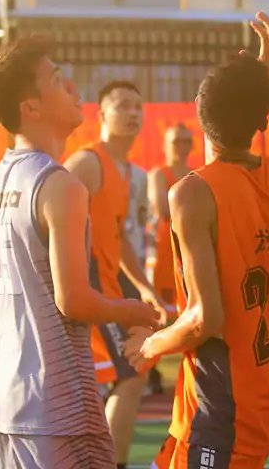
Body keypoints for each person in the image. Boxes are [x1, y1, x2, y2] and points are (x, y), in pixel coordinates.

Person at [125, 13, 269, 469]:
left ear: (199, 114)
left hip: (225, 403)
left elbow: (206, 319)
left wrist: (152, 345)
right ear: (262, 123)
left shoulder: (193, 191)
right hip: (255, 388)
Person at [0, 36, 158, 468]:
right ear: (30, 107)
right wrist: (134, 311)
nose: (71, 86)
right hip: (54, 401)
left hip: (3, 396)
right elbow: (73, 300)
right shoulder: (62, 185)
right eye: (55, 78)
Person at [65, 81, 167, 469]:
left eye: (138, 107)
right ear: (101, 115)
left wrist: (144, 288)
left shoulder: (126, 173)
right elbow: (47, 211)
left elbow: (120, 239)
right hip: (84, 286)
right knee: (131, 371)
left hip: (107, 285)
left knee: (120, 376)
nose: (132, 113)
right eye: (122, 105)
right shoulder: (88, 163)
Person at [146, 122, 194, 395]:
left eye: (186, 141)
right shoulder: (158, 174)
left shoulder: (194, 174)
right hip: (164, 253)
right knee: (158, 313)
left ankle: (193, 375)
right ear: (165, 145)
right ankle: (149, 369)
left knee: (190, 310)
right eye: (176, 141)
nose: (181, 146)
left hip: (188, 251)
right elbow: (162, 208)